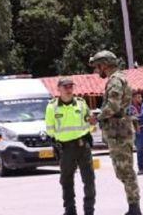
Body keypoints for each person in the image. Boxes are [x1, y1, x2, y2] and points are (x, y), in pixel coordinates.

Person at [88, 50, 140, 215]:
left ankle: (135, 208)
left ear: (105, 65)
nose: (97, 71)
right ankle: (133, 206)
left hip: (119, 131)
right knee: (122, 170)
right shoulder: (117, 78)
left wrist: (97, 117)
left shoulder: (115, 80)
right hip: (118, 130)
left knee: (125, 170)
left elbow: (113, 106)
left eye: (98, 67)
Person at [45, 77, 95, 215]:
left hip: (82, 145)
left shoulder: (81, 103)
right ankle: (70, 209)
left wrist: (92, 122)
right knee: (66, 180)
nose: (68, 89)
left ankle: (89, 210)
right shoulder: (52, 107)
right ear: (58, 89)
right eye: (65, 87)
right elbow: (50, 129)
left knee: (89, 179)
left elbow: (90, 120)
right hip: (65, 148)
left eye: (70, 86)